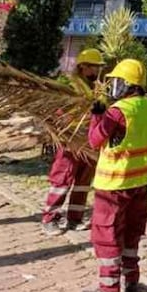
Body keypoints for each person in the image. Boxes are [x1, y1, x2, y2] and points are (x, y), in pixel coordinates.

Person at [81, 59, 147, 292]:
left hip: (113, 185)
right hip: (139, 182)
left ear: (126, 84)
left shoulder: (118, 112)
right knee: (131, 233)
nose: (113, 86)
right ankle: (132, 281)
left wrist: (97, 115)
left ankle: (108, 288)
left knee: (107, 235)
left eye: (116, 82)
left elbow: (95, 141)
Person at [42, 48, 104, 236]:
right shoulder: (71, 86)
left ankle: (74, 219)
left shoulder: (97, 87)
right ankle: (49, 220)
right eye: (94, 67)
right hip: (71, 142)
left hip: (89, 141)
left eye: (99, 67)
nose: (97, 71)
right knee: (62, 180)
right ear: (83, 67)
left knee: (83, 183)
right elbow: (59, 113)